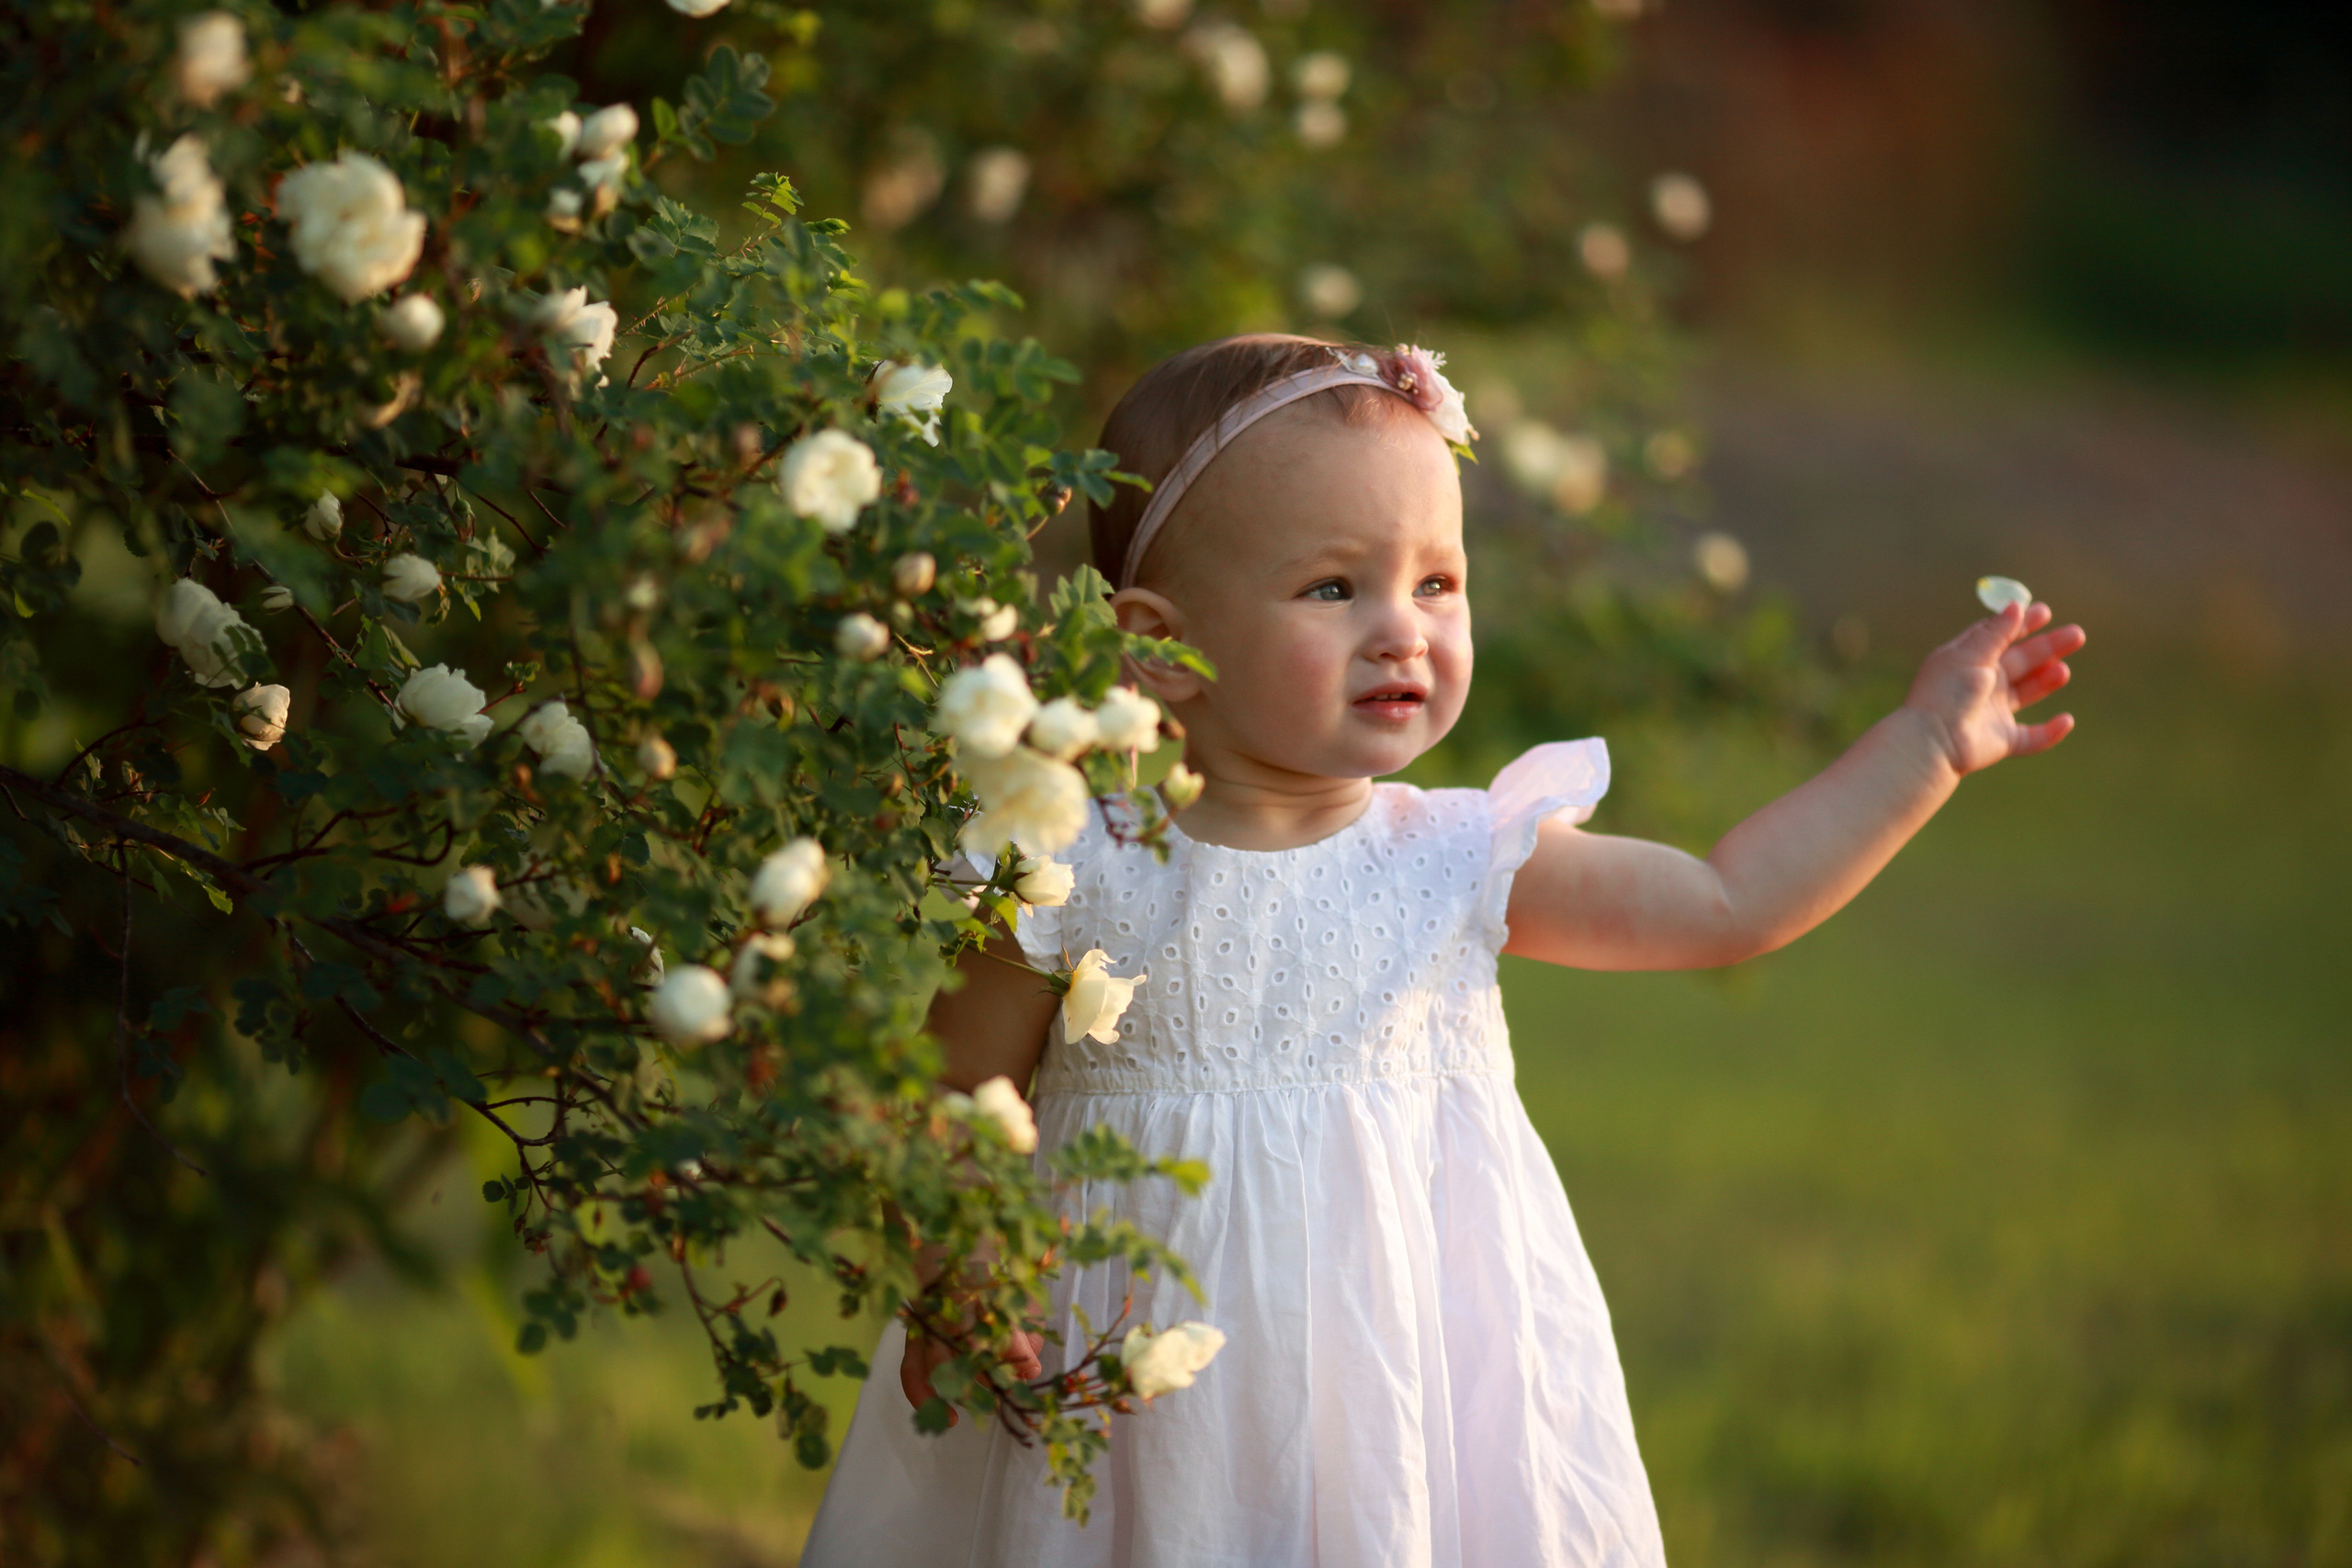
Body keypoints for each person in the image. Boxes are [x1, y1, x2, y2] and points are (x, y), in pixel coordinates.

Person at [800, 334, 2086, 1567]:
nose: (1404, 629)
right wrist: (960, 1269)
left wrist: (1925, 749)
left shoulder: (1453, 860)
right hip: (1135, 1399)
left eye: (1437, 581)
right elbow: (947, 1099)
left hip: (1404, 1397)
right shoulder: (1072, 862)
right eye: (1332, 587)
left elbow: (1725, 901)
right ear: (1157, 645)